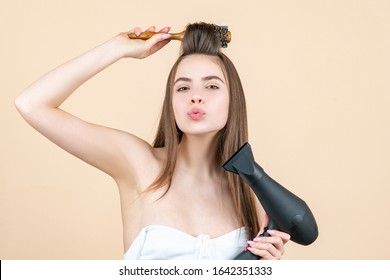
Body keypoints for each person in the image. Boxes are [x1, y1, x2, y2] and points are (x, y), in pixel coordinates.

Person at [15, 22, 290, 260]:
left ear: (234, 101)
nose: (196, 96)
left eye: (212, 86)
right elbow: (31, 104)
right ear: (171, 103)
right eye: (183, 87)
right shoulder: (138, 162)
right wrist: (117, 49)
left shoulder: (248, 191)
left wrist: (263, 265)